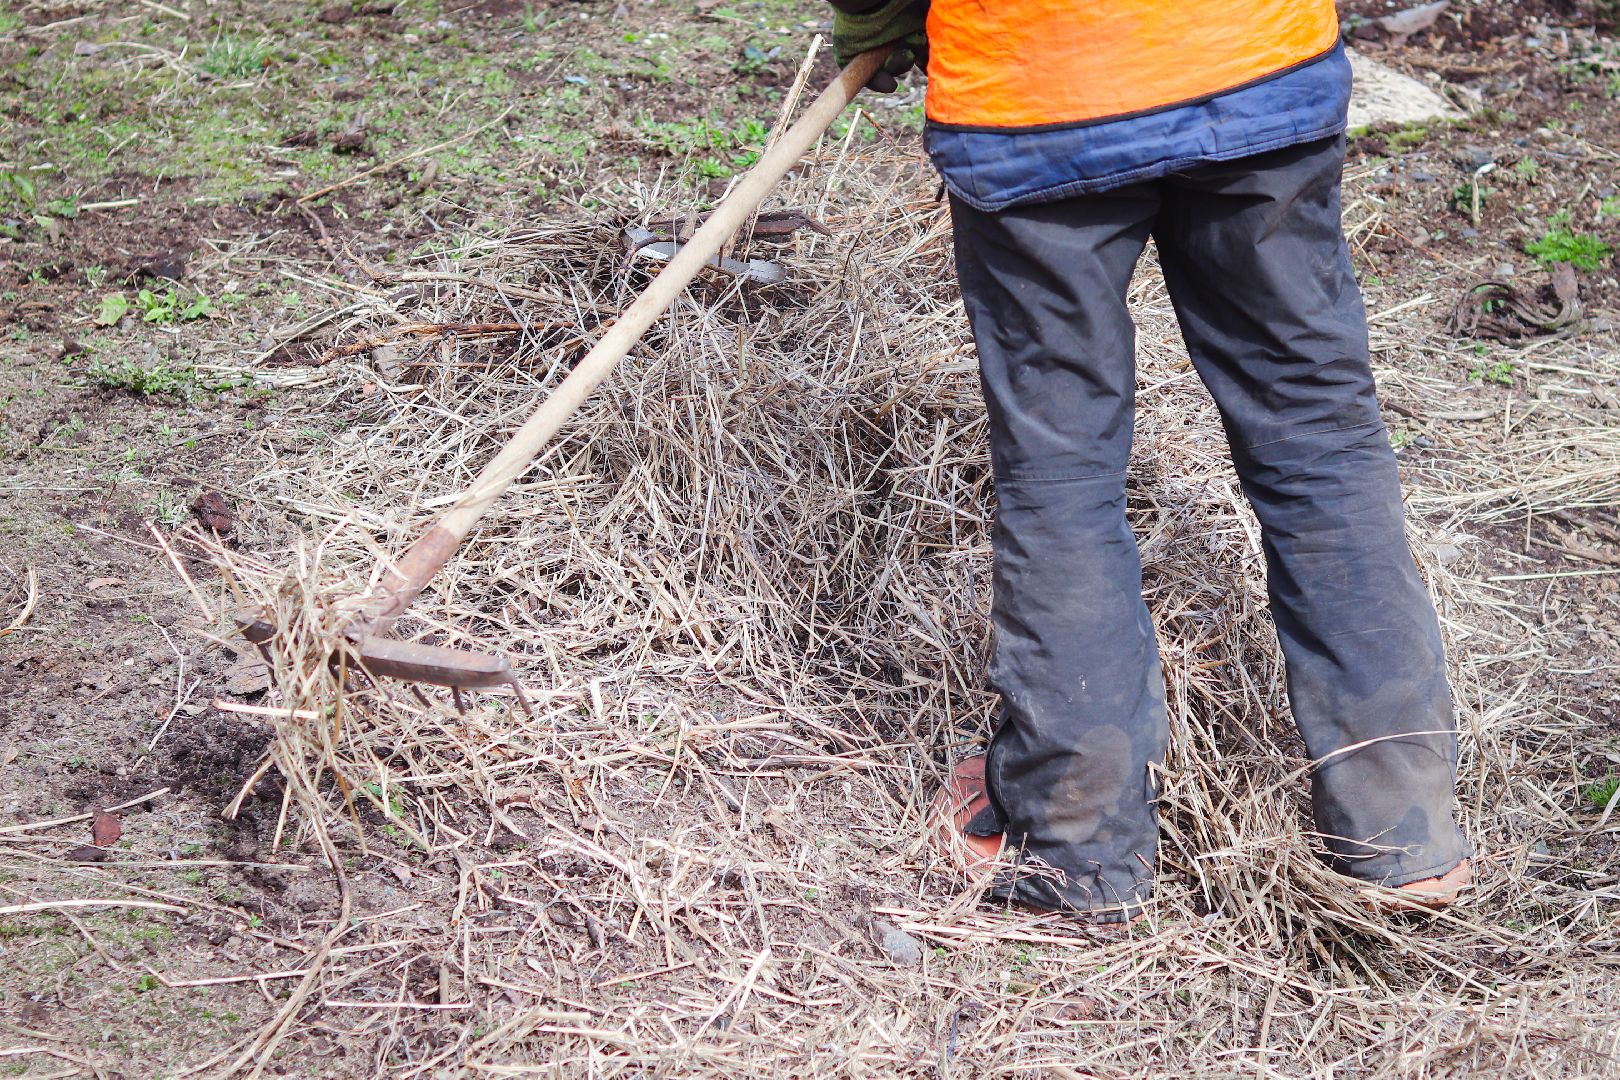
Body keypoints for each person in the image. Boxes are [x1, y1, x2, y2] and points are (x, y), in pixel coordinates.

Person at [830, 0, 1473, 922]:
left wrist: (876, 13)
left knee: (1060, 471)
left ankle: (1076, 841)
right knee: (1319, 438)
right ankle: (1402, 832)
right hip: (1252, 64)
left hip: (1038, 91)